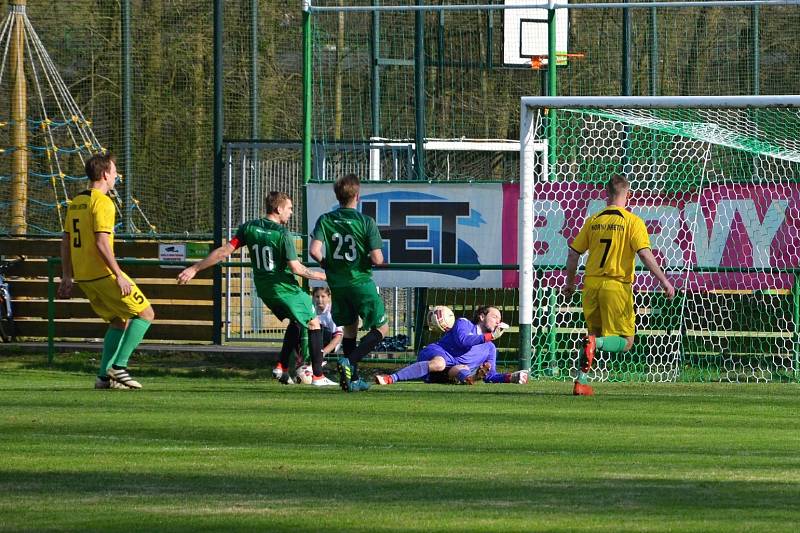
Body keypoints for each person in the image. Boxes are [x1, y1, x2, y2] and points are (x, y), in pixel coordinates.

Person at [177, 191, 337, 387]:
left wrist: (195, 268)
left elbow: (223, 252)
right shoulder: (283, 234)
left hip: (263, 288)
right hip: (283, 287)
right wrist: (325, 276)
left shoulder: (249, 227)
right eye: (289, 208)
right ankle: (318, 377)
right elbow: (296, 268)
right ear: (278, 209)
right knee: (313, 322)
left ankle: (281, 367)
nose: (291, 213)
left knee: (297, 321)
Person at [564, 175, 676, 396]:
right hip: (616, 286)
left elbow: (573, 253)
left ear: (607, 195)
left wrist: (570, 283)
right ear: (629, 195)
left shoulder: (594, 220)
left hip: (591, 285)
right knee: (626, 342)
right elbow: (644, 254)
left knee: (592, 335)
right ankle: (594, 348)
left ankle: (580, 382)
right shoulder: (632, 222)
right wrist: (664, 281)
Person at [58, 153, 154, 390]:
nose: (116, 176)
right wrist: (119, 274)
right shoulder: (103, 202)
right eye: (113, 172)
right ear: (104, 174)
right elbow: (102, 242)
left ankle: (103, 377)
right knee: (146, 313)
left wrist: (67, 275)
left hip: (84, 276)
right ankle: (119, 367)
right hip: (102, 273)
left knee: (118, 321)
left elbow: (66, 240)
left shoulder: (76, 202)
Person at [309, 173, 389, 393]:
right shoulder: (365, 221)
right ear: (358, 196)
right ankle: (348, 361)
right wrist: (380, 261)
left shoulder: (325, 219)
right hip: (360, 282)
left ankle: (352, 379)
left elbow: (314, 251)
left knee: (350, 329)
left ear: (338, 196)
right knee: (382, 327)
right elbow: (376, 259)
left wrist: (329, 264)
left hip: (338, 285)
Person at [373, 306, 527, 386]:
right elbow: (463, 341)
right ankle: (390, 378)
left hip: (451, 371)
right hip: (438, 353)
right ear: (481, 317)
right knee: (440, 363)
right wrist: (490, 336)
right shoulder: (463, 323)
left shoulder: (490, 348)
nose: (498, 321)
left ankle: (471, 378)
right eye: (494, 317)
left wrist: (510, 377)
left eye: (499, 319)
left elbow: (490, 376)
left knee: (462, 369)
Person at [272, 286, 342, 379]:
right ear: (313, 297)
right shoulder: (311, 310)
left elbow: (338, 337)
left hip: (329, 343)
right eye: (317, 297)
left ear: (329, 297)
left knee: (317, 327)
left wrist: (322, 353)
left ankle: (313, 364)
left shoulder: (331, 313)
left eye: (323, 296)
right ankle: (288, 365)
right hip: (313, 341)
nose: (320, 300)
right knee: (297, 325)